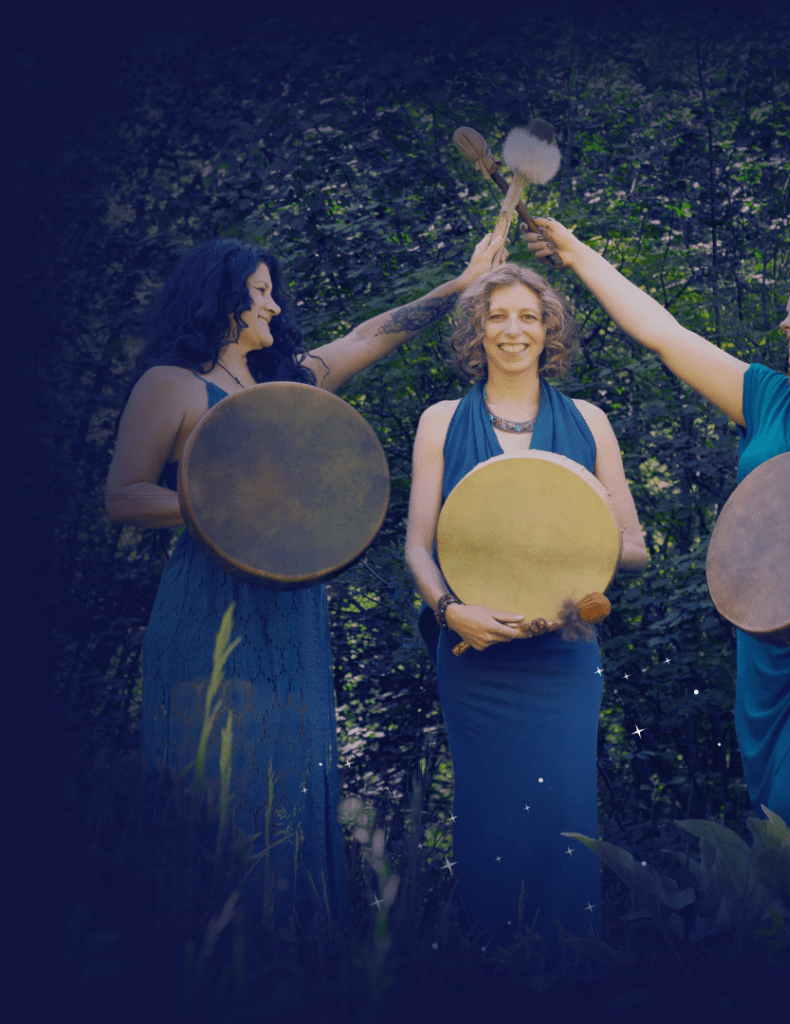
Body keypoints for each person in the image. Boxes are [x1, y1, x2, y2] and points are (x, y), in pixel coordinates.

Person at [106, 231, 507, 931]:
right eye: (257, 291)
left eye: (271, 289)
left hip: (292, 606)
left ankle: (290, 959)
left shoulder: (286, 385)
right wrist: (222, 512)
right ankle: (207, 957)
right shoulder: (170, 384)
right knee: (214, 776)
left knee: (286, 770)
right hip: (209, 601)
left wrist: (461, 284)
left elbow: (368, 336)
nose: (272, 303)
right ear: (218, 298)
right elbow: (125, 496)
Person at [526, 220, 790, 851]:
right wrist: (576, 254)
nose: (787, 322)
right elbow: (663, 332)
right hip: (767, 643)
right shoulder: (768, 399)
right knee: (772, 819)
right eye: (787, 309)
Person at [405, 263, 648, 954]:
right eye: (497, 316)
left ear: (550, 331)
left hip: (563, 658)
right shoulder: (441, 423)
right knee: (489, 817)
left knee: (566, 813)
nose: (513, 330)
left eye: (528, 317)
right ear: (476, 331)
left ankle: (568, 973)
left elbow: (634, 547)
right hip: (473, 655)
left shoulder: (589, 423)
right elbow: (417, 549)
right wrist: (451, 611)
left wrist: (591, 552)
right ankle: (497, 974)